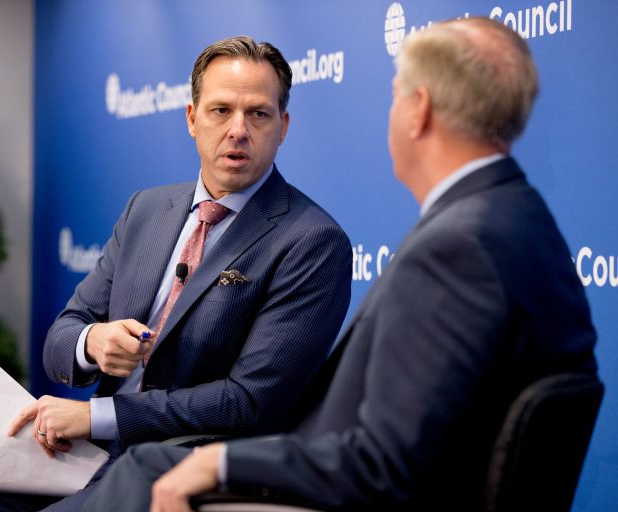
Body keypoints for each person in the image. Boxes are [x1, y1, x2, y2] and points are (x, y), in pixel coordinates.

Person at [81, 17, 598, 512]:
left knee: (143, 471)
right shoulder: (516, 218)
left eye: (394, 95)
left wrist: (220, 462)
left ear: (418, 110)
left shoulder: (458, 247)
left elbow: (381, 463)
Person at [0, 36, 352, 511]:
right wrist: (92, 342)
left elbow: (248, 402)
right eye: (220, 111)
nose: (238, 130)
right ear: (191, 118)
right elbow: (60, 340)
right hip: (80, 456)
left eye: (258, 113)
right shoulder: (146, 209)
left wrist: (98, 416)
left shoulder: (311, 240)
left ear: (283, 126)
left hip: (184, 466)